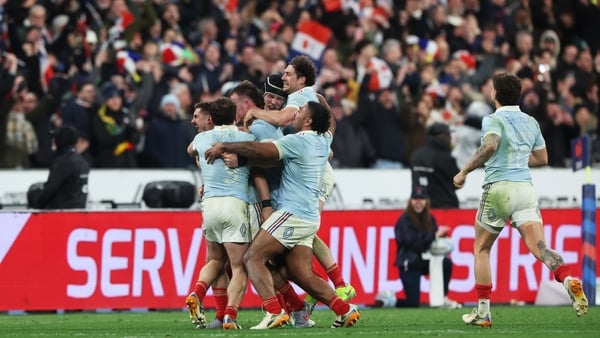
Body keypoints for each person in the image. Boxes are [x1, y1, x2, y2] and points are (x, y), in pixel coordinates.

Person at [205, 101, 361, 329]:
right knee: (300, 273)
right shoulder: (324, 139)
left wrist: (226, 146)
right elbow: (331, 124)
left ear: (308, 121)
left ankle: (274, 311)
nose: (295, 114)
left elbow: (262, 150)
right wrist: (322, 100)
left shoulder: (298, 141)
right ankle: (344, 310)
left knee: (252, 258)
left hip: (293, 213)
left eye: (300, 112)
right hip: (310, 218)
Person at [453, 72, 588, 327]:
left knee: (481, 248)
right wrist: (515, 159)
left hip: (498, 188)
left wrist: (464, 171)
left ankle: (483, 312)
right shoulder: (531, 122)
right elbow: (542, 158)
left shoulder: (493, 119)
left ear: (495, 94)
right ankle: (567, 278)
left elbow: (491, 145)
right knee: (541, 248)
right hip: (525, 189)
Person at [185, 98, 256, 330]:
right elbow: (261, 154)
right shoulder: (247, 138)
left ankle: (197, 292)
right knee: (239, 267)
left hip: (210, 205)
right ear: (235, 117)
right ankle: (230, 316)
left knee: (215, 260)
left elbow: (191, 150)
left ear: (211, 119)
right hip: (234, 205)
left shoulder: (200, 139)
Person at [393, 186, 460, 308]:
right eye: (415, 199)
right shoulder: (404, 220)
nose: (418, 202)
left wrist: (441, 239)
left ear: (426, 201)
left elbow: (431, 242)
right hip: (410, 263)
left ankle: (442, 298)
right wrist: (434, 235)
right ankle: (389, 301)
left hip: (425, 260)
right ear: (410, 201)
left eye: (421, 199)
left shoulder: (430, 218)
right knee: (413, 303)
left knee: (445, 262)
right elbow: (413, 243)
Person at [32, 125, 89, 209]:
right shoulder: (82, 161)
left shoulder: (64, 162)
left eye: (55, 138)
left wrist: (37, 206)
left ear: (62, 141)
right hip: (78, 213)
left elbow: (50, 190)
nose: (53, 141)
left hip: (62, 214)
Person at [410, 122, 460, 209]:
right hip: (446, 207)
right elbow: (458, 182)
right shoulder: (444, 157)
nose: (450, 138)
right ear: (442, 136)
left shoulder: (416, 155)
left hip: (422, 207)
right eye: (448, 135)